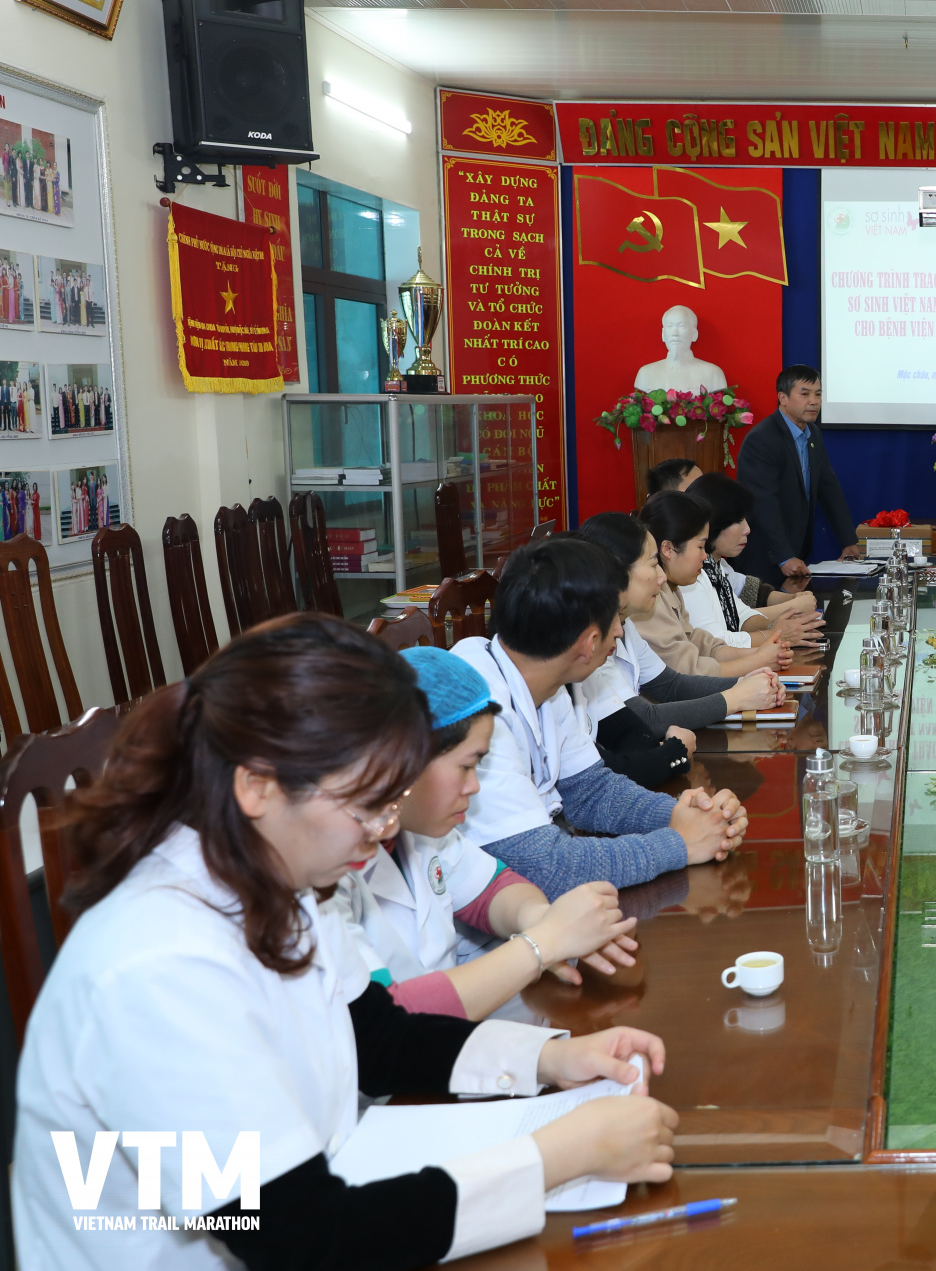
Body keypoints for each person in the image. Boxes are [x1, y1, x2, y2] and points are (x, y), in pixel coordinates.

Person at [14, 616, 679, 1269]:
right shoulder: (156, 965)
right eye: (367, 805)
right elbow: (292, 1234)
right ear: (258, 785)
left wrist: (550, 1059)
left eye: (393, 800)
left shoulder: (283, 877)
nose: (385, 830)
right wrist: (555, 1157)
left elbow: (376, 1040)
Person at [334, 646, 646, 1020]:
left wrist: (541, 917)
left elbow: (491, 888)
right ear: (406, 758)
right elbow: (384, 1017)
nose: (474, 787)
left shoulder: (422, 831)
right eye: (466, 767)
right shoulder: (324, 875)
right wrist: (541, 944)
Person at [451, 538, 750, 897]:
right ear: (590, 642)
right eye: (617, 619)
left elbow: (591, 791)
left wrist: (681, 815)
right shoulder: (475, 708)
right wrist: (680, 844)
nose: (621, 632)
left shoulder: (547, 679)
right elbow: (547, 866)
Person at [573, 510, 786, 741]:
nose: (662, 576)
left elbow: (670, 684)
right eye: (653, 564)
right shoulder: (589, 639)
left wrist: (746, 683)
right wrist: (738, 697)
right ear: (617, 572)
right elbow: (644, 719)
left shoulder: (627, 624)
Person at [636, 491, 794, 677]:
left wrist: (759, 653)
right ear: (668, 549)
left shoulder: (671, 588)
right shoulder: (651, 597)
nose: (705, 556)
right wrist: (758, 659)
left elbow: (702, 644)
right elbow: (687, 672)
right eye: (700, 547)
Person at [733, 364, 859, 584]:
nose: (814, 401)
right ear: (783, 398)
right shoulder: (762, 439)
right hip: (764, 556)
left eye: (818, 394)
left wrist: (848, 541)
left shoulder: (813, 434)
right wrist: (783, 556)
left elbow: (829, 489)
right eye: (805, 394)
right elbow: (763, 503)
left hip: (796, 552)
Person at [681, 472, 824, 650]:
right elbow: (715, 643)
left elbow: (742, 616)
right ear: (713, 523)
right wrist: (782, 624)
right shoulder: (692, 574)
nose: (747, 529)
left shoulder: (715, 567)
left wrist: (785, 622)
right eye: (737, 521)